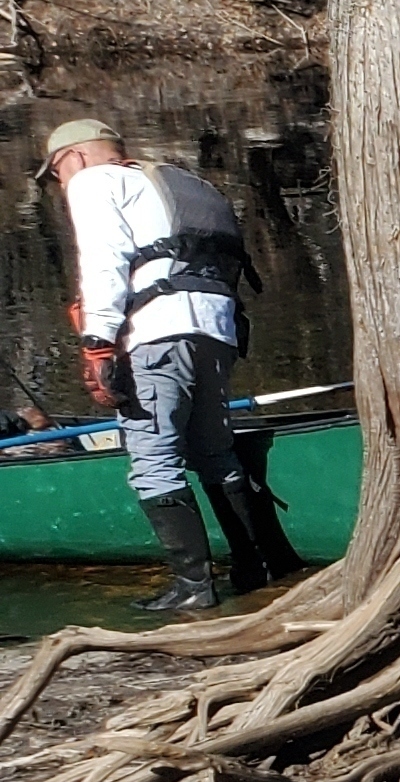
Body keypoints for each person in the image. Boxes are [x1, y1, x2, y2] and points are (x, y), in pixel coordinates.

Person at [42, 118, 299, 614]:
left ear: (72, 159)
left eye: (57, 174)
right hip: (216, 330)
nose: (61, 186)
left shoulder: (95, 181)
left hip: (156, 333)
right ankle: (257, 567)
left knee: (154, 458)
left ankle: (193, 587)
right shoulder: (175, 182)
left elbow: (104, 259)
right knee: (215, 453)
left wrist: (98, 343)